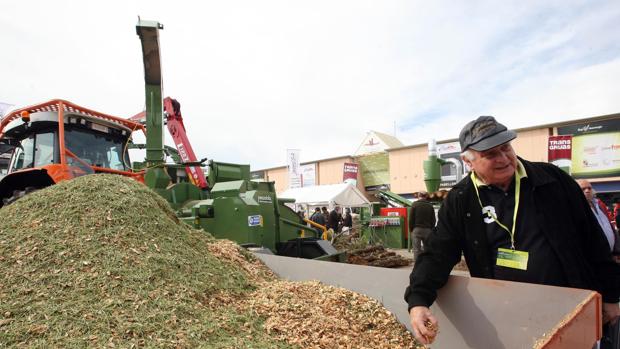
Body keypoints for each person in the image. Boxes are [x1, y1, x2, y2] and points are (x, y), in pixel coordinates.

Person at [404, 116, 620, 345]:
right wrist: (418, 300)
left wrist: (611, 295)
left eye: (506, 147)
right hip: (506, 314)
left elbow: (593, 240)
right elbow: (438, 253)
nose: (503, 158)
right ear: (468, 161)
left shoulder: (552, 180)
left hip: (569, 305)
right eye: (491, 154)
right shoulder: (461, 198)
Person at [577, 179, 617, 252]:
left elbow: (609, 226)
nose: (587, 191)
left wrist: (615, 250)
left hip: (610, 254)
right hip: (594, 257)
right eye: (583, 189)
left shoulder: (599, 204)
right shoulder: (576, 208)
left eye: (589, 188)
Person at [408, 192, 436, 260]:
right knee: (427, 249)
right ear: (426, 196)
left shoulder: (415, 205)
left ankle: (417, 265)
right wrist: (431, 229)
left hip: (417, 229)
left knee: (417, 249)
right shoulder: (430, 206)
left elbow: (411, 219)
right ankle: (427, 264)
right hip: (427, 230)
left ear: (418, 196)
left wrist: (411, 229)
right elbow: (433, 220)